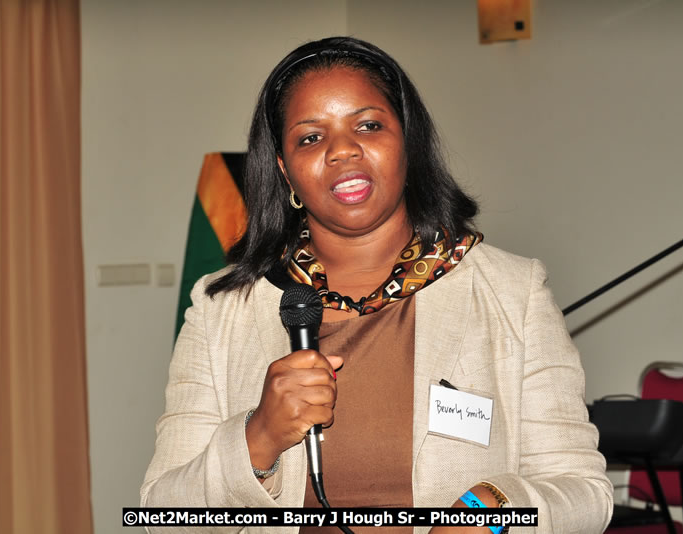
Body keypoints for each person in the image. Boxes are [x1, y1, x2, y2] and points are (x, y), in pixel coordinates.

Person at [141, 37, 613, 533]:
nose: (342, 150)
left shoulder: (513, 292)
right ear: (285, 170)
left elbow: (584, 494)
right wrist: (258, 439)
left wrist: (496, 510)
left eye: (367, 125)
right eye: (310, 138)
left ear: (407, 140)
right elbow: (161, 516)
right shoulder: (221, 310)